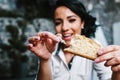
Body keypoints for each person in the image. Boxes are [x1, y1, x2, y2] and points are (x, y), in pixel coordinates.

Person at [28, 0, 120, 80]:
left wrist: (117, 71)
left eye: (71, 20)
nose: (64, 28)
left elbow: (108, 77)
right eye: (58, 23)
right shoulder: (49, 49)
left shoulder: (94, 48)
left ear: (82, 23)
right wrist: (44, 60)